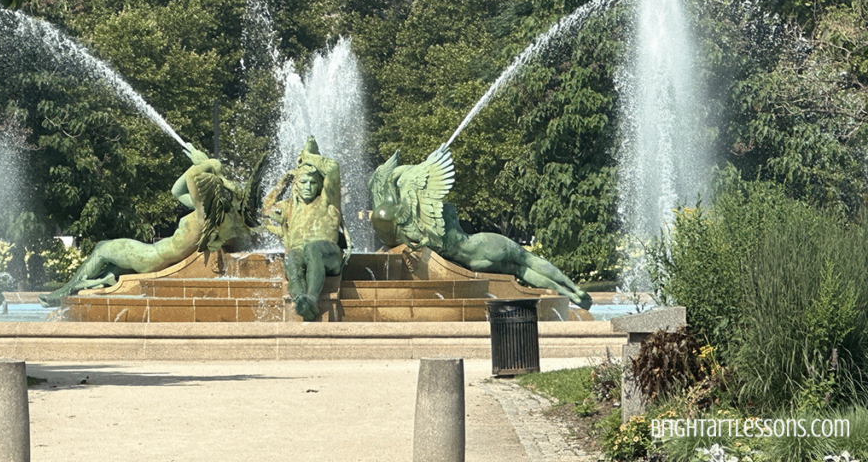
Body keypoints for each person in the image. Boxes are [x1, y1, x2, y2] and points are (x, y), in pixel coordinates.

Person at [369, 145, 593, 310]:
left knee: (519, 270)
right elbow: (404, 177)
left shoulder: (413, 232)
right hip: (483, 244)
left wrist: (395, 177)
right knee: (528, 260)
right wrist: (421, 166)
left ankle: (567, 295)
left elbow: (387, 183)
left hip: (473, 262)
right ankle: (574, 289)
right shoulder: (440, 213)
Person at [39, 144, 259, 307]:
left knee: (102, 248)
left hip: (151, 257)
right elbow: (177, 192)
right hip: (155, 257)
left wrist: (208, 164)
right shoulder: (219, 219)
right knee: (112, 266)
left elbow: (193, 177)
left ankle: (63, 293)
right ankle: (100, 282)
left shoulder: (204, 215)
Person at [263, 137, 350, 321]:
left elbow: (333, 168)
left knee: (312, 249)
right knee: (292, 258)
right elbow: (266, 209)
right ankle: (301, 300)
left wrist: (308, 157)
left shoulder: (327, 201)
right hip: (302, 254)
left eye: (312, 182)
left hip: (329, 255)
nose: (309, 187)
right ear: (296, 185)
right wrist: (285, 179)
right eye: (303, 183)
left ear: (319, 184)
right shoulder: (289, 207)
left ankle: (311, 298)